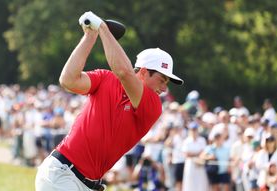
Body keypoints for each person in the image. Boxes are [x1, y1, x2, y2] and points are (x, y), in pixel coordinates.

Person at [35, 11, 183, 191]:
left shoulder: (153, 105)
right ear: (143, 72)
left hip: (87, 183)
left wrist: (102, 27)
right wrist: (90, 35)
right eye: (162, 80)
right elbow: (68, 80)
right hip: (61, 174)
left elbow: (124, 72)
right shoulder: (105, 78)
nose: (164, 88)